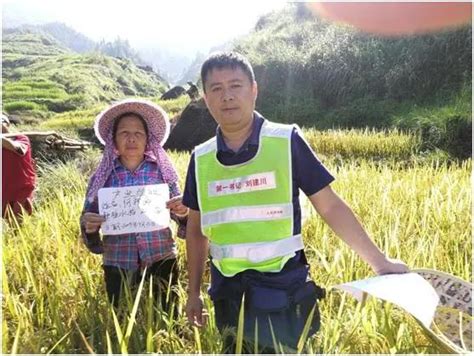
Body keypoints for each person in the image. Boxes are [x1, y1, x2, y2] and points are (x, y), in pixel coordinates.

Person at [182, 52, 409, 353]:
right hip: (229, 295)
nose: (227, 96)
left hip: (284, 291)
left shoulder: (285, 140)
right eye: (216, 88)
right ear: (206, 99)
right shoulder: (201, 159)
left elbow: (330, 206)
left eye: (235, 85)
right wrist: (193, 291)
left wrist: (380, 263)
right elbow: (196, 231)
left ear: (254, 90)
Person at [80, 99, 188, 312]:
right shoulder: (102, 177)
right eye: (124, 133)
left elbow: (182, 215)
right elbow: (87, 219)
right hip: (118, 261)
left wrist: (183, 211)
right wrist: (89, 227)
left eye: (138, 133)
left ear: (148, 139)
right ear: (114, 140)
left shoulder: (163, 173)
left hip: (161, 256)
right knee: (122, 317)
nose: (131, 138)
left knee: (167, 315)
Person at [2, 114, 36, 220]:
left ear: (7, 124)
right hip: (5, 189)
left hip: (22, 188)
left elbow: (19, 149)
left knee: (19, 221)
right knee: (7, 218)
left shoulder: (21, 138)